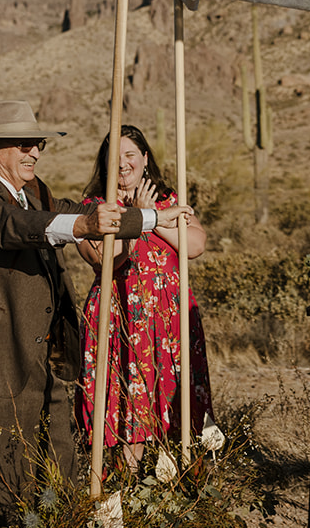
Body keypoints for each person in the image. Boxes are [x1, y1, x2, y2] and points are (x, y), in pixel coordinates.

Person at [0, 100, 185, 528]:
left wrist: (151, 215)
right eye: (23, 143)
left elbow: (73, 213)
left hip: (43, 359)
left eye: (38, 143)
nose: (34, 151)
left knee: (52, 470)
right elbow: (10, 227)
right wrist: (85, 227)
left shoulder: (35, 193)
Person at [75, 124, 212, 458]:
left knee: (176, 400)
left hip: (170, 318)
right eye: (114, 157)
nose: (123, 164)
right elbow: (109, 259)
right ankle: (127, 489)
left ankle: (179, 486)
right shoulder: (94, 209)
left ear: (145, 158)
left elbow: (195, 245)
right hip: (120, 316)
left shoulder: (169, 200)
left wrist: (157, 216)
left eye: (130, 155)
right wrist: (140, 218)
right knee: (126, 401)